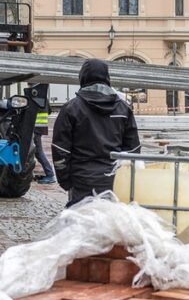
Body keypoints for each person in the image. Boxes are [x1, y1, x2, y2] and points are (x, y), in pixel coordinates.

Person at [51, 59, 141, 207]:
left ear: (83, 78)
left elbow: (60, 150)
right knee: (111, 225)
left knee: (83, 224)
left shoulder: (71, 108)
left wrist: (66, 181)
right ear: (107, 78)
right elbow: (133, 150)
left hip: (82, 180)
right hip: (114, 181)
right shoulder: (123, 109)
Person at [33, 99, 56, 185]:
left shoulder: (33, 97)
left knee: (38, 152)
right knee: (35, 151)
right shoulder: (44, 98)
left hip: (35, 128)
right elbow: (49, 111)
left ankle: (50, 174)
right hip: (41, 127)